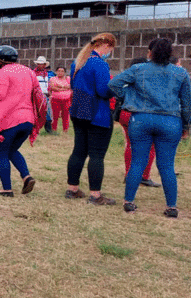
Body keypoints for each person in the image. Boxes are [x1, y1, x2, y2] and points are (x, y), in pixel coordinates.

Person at [110, 38, 191, 217]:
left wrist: (130, 98)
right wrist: (186, 125)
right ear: (170, 54)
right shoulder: (181, 73)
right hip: (170, 121)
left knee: (138, 161)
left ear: (149, 52)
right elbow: (186, 103)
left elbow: (113, 84)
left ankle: (129, 201)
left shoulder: (138, 69)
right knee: (167, 166)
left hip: (141, 119)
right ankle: (171, 207)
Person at [65, 32, 117, 205]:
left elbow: (73, 85)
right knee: (96, 155)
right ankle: (95, 195)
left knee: (79, 151)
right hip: (97, 113)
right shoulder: (100, 64)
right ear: (107, 46)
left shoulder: (78, 62)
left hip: (79, 112)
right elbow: (103, 90)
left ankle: (72, 189)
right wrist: (115, 87)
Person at [0, 45, 40, 197]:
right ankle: (26, 176)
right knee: (12, 150)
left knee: (1, 154)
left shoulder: (3, 73)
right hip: (28, 120)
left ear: (0, 60)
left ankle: (7, 189)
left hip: (9, 120)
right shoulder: (28, 71)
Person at [116, 57, 159, 188]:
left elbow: (114, 87)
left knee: (130, 144)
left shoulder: (125, 79)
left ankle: (129, 174)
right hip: (142, 114)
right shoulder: (148, 81)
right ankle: (144, 176)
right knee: (151, 145)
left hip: (126, 113)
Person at [48, 67, 72, 133]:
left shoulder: (68, 78)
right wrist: (64, 87)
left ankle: (65, 130)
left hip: (66, 99)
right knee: (55, 115)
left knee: (66, 115)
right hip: (55, 99)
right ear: (56, 72)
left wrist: (59, 86)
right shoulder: (53, 79)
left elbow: (70, 86)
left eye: (62, 71)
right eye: (59, 71)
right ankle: (53, 129)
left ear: (64, 72)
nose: (60, 72)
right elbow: (53, 87)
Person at [33, 56, 54, 133]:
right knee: (36, 112)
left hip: (46, 95)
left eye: (41, 64)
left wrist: (49, 92)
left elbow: (48, 84)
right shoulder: (33, 73)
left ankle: (48, 129)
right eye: (38, 64)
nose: (40, 65)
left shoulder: (47, 74)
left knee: (47, 112)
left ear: (45, 65)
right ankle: (34, 129)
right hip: (37, 95)